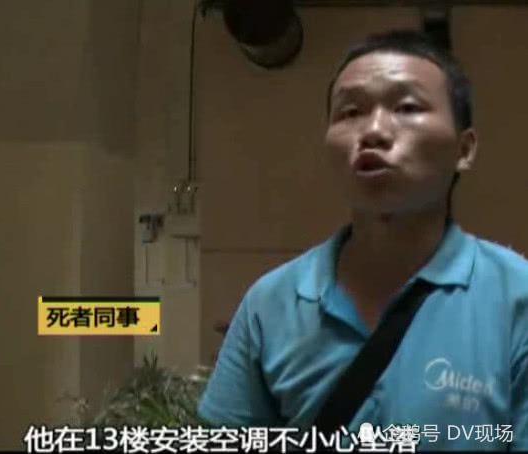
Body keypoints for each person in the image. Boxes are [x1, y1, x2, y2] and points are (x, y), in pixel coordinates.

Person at [198, 29, 528, 451]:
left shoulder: (516, 299)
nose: (372, 131)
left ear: (464, 149)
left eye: (407, 107)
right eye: (350, 112)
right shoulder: (271, 303)